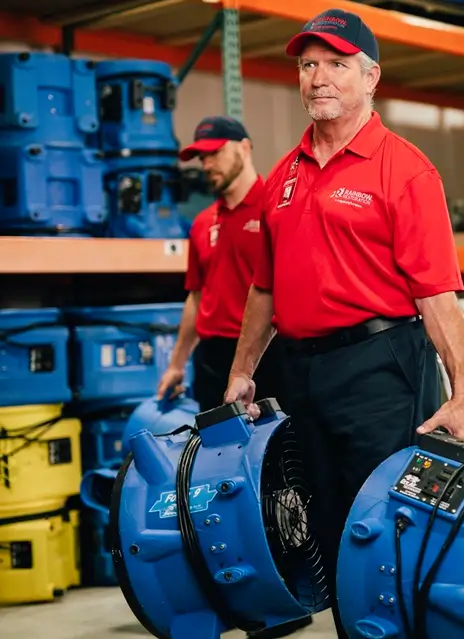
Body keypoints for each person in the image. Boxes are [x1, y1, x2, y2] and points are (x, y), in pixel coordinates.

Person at [224, 8, 464, 638]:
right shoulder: (282, 177)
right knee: (327, 521)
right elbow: (264, 286)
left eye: (336, 64)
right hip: (301, 369)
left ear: (371, 78)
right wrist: (241, 369)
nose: (319, 78)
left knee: (388, 521)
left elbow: (437, 295)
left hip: (380, 367)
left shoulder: (406, 170)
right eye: (308, 65)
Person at [156, 115, 312, 638]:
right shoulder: (202, 224)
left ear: (244, 148)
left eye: (214, 152)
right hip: (211, 361)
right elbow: (195, 298)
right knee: (215, 478)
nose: (206, 164)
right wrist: (178, 362)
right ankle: (228, 589)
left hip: (268, 356)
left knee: (273, 478)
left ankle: (284, 590)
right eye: (199, 157)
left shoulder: (276, 203)